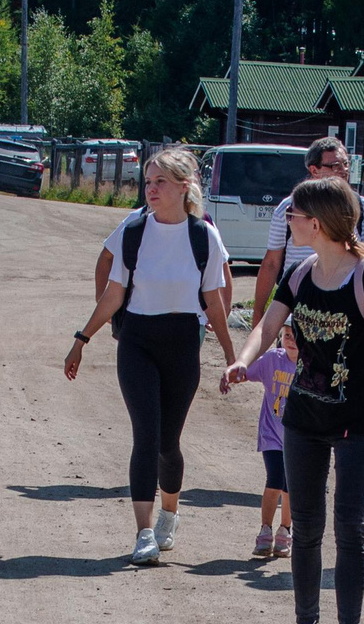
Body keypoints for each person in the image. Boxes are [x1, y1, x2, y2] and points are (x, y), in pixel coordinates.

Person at [225, 178, 364, 624]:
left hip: (358, 420)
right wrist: (242, 363)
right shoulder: (300, 273)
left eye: (294, 213)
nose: (287, 219)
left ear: (317, 223)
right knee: (308, 528)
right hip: (304, 420)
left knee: (350, 531)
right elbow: (267, 327)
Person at [65, 146, 237, 563]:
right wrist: (81, 339)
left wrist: (233, 359)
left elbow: (214, 302)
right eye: (147, 181)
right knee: (146, 435)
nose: (151, 189)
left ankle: (168, 515)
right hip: (138, 340)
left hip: (182, 343)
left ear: (183, 187)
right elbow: (114, 294)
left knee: (168, 443)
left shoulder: (203, 236)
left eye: (160, 181)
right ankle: (143, 533)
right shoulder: (134, 231)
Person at [250, 135, 364, 324]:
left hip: (345, 306)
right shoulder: (288, 209)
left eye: (345, 164)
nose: (343, 170)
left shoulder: (362, 207)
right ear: (314, 170)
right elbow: (271, 263)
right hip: (296, 306)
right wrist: (258, 312)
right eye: (335, 165)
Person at [226, 323, 298, 558]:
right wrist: (233, 375)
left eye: (296, 335)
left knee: (289, 485)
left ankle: (285, 530)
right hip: (272, 435)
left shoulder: (311, 365)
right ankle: (265, 530)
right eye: (287, 335)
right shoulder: (271, 360)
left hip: (298, 438)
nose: (291, 340)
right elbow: (246, 373)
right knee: (275, 479)